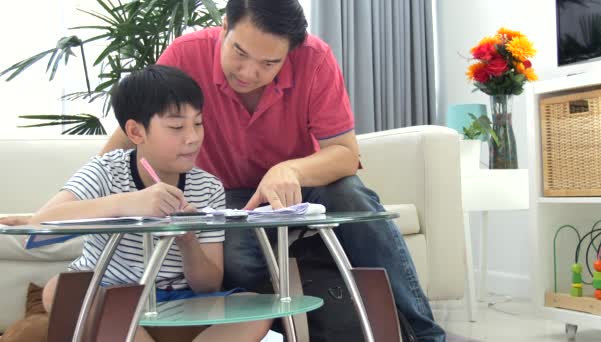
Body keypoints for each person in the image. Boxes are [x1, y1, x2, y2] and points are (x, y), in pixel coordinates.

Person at [1, 0, 445, 340]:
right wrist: (114, 183)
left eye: (270, 63)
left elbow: (345, 154)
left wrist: (287, 168)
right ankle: (317, 304)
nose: (250, 71)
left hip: (295, 187)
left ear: (293, 53)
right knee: (239, 260)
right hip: (227, 198)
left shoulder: (316, 60)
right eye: (240, 52)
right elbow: (136, 125)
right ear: (224, 30)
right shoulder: (185, 56)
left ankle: (425, 333)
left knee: (352, 196)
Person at [28, 65, 271, 342]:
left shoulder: (208, 187)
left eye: (198, 123)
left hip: (180, 301)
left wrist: (188, 240)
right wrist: (129, 202)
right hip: (109, 294)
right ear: (135, 131)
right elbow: (38, 227)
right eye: (176, 126)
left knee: (257, 308)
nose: (192, 137)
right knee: (58, 289)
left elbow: (208, 285)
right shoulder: (105, 171)